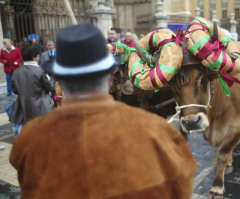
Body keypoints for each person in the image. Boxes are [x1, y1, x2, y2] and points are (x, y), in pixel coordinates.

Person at [9, 23, 197, 199]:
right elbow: (182, 188)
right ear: (110, 77)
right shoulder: (156, 131)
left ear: (60, 82)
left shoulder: (31, 137)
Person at [9, 44, 54, 135]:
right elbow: (49, 87)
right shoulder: (40, 71)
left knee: (28, 134)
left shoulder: (16, 72)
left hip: (23, 107)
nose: (39, 58)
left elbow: (15, 90)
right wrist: (51, 80)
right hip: (41, 106)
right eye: (38, 56)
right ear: (34, 57)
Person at [39, 40, 57, 106]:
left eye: (51, 45)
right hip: (49, 75)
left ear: (54, 45)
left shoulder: (59, 52)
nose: (50, 47)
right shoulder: (43, 54)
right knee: (51, 88)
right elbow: (41, 64)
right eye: (48, 45)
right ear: (46, 46)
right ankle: (54, 102)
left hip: (57, 74)